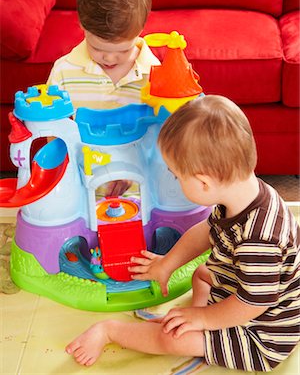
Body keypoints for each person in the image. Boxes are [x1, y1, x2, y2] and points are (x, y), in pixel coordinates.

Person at [65, 95, 300, 372]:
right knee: (201, 273)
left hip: (259, 335)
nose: (176, 180)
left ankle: (109, 331)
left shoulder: (260, 240)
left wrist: (202, 320)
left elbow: (250, 305)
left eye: (177, 176)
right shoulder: (243, 194)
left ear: (203, 182)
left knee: (172, 339)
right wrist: (166, 264)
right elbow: (204, 231)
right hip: (238, 289)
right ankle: (196, 319)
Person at [47, 0, 160, 196]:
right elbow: (54, 133)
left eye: (122, 51)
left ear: (141, 29)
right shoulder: (64, 71)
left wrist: (135, 170)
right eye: (98, 47)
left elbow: (161, 134)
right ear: (82, 26)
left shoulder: (154, 72)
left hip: (140, 187)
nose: (109, 57)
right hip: (82, 185)